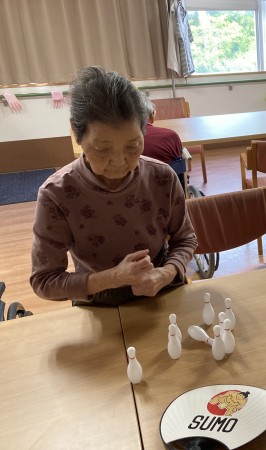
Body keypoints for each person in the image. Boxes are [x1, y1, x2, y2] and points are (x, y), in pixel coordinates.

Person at [30, 66, 198, 306]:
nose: (120, 162)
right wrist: (112, 278)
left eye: (133, 146)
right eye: (102, 149)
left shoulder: (162, 177)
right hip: (98, 301)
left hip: (161, 290)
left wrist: (167, 272)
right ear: (76, 132)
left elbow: (185, 238)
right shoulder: (57, 194)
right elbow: (44, 280)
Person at [140, 96, 187, 189]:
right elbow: (178, 164)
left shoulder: (121, 140)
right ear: (152, 116)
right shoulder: (171, 136)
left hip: (136, 191)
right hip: (169, 190)